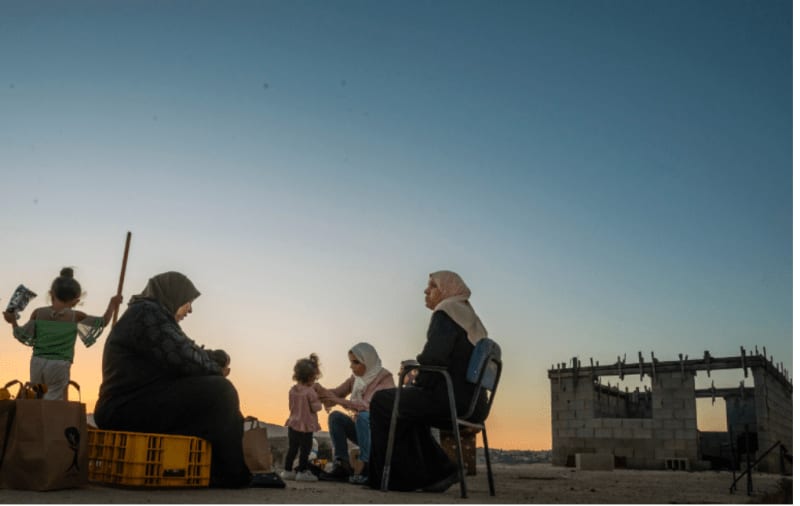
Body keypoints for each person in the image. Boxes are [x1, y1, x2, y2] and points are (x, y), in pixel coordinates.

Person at [93, 271, 264, 488]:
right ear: (173, 295)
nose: (190, 310)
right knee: (221, 391)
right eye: (188, 302)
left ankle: (225, 469)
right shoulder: (147, 313)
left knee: (215, 398)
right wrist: (215, 367)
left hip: (134, 405)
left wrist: (212, 359)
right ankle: (230, 473)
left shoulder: (151, 315)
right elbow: (185, 359)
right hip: (124, 408)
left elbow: (184, 350)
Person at [368, 270, 490, 492]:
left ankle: (386, 478)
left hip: (451, 400)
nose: (426, 290)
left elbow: (435, 358)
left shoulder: (447, 311)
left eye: (432, 286)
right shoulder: (471, 320)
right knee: (407, 409)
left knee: (381, 402)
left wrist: (415, 378)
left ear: (447, 290)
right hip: (475, 405)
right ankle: (440, 471)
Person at [2, 267, 122, 400]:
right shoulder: (76, 316)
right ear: (76, 300)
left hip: (37, 362)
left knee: (36, 399)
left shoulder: (38, 313)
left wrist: (13, 321)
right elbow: (103, 321)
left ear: (51, 294)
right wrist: (113, 304)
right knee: (55, 403)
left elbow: (22, 334)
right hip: (59, 364)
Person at [316, 342, 394, 485]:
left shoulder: (385, 379)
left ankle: (367, 467)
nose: (351, 366)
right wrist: (319, 390)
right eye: (351, 362)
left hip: (379, 434)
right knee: (335, 417)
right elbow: (338, 393)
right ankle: (342, 466)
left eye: (356, 362)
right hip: (361, 429)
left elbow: (368, 406)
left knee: (363, 416)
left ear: (367, 361)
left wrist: (337, 400)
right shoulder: (356, 378)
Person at [281, 353, 323, 483]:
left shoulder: (292, 390)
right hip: (306, 426)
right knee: (305, 449)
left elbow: (291, 406)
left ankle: (287, 471)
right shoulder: (310, 392)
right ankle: (302, 472)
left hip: (293, 424)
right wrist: (319, 399)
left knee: (292, 448)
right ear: (311, 377)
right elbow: (316, 408)